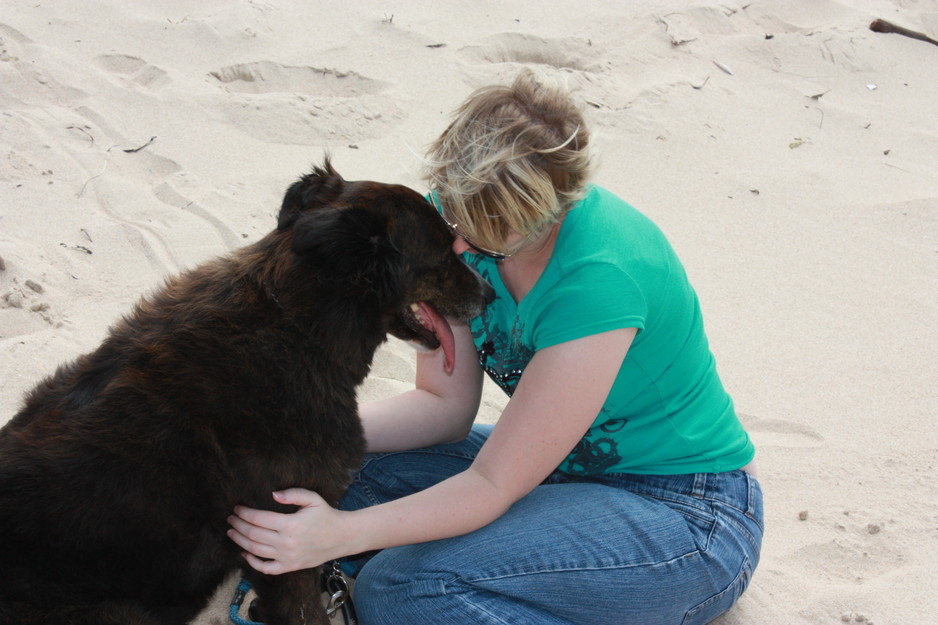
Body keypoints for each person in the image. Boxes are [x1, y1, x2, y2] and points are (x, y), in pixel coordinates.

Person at [227, 69, 763, 625]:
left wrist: (338, 535)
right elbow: (443, 407)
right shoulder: (464, 212)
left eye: (481, 232)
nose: (457, 244)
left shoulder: (602, 276)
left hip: (684, 512)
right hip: (558, 473)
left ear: (544, 211)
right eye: (451, 214)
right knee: (317, 469)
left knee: (404, 590)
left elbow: (491, 483)